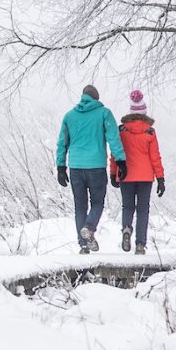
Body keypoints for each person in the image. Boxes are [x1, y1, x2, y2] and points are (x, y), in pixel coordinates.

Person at [54, 83, 126, 253]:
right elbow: (114, 139)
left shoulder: (69, 116)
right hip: (96, 167)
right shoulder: (104, 113)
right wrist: (121, 161)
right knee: (97, 203)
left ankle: (84, 245)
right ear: (96, 98)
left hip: (76, 167)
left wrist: (61, 166)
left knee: (80, 206)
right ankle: (89, 227)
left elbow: (61, 143)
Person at [116, 89, 167, 255]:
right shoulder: (150, 132)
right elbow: (155, 157)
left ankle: (126, 229)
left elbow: (115, 153)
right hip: (145, 177)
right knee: (143, 210)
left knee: (127, 207)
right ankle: (140, 245)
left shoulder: (122, 130)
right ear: (144, 112)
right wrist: (160, 178)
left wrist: (112, 173)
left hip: (126, 175)